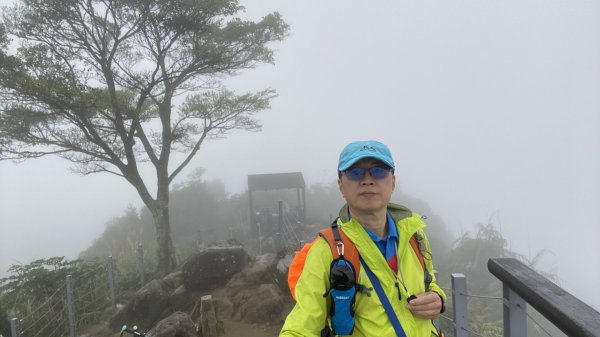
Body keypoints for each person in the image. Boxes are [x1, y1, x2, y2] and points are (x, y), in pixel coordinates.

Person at [280, 140, 446, 337]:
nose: (368, 180)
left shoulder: (414, 235)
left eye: (379, 171)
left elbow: (430, 282)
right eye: (355, 172)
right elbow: (301, 327)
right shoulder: (327, 250)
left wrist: (438, 298)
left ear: (393, 182)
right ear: (341, 186)